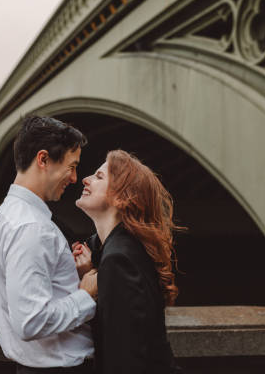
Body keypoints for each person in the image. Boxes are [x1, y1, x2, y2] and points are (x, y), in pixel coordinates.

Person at [0, 115, 98, 374]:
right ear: (43, 159)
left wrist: (69, 275)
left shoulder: (8, 215)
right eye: (72, 166)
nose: (74, 177)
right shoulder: (32, 228)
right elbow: (31, 322)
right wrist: (86, 294)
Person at [74, 149, 183, 374]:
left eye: (99, 176)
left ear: (122, 197)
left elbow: (124, 357)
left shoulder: (118, 260)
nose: (85, 179)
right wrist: (92, 269)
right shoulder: (122, 250)